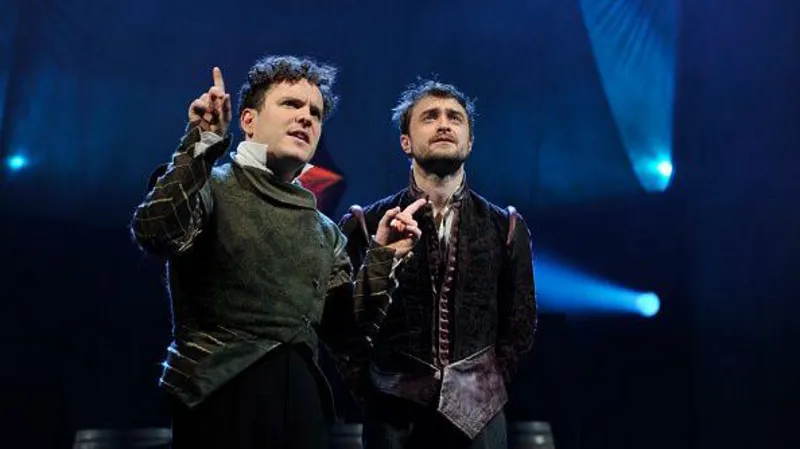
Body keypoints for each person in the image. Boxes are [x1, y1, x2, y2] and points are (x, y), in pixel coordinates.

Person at [130, 55, 425, 449]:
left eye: (315, 113)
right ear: (248, 120)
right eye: (291, 104)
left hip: (302, 409)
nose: (306, 118)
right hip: (217, 398)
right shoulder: (210, 185)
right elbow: (155, 231)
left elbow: (347, 336)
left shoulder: (324, 231)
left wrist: (383, 257)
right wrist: (200, 144)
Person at [338, 79, 537, 448]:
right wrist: (372, 391)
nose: (444, 124)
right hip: (393, 411)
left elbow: (520, 325)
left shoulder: (506, 226)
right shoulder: (364, 224)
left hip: (481, 415)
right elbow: (341, 326)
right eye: (430, 117)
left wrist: (488, 384)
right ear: (406, 142)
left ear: (470, 142)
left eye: (455, 118)